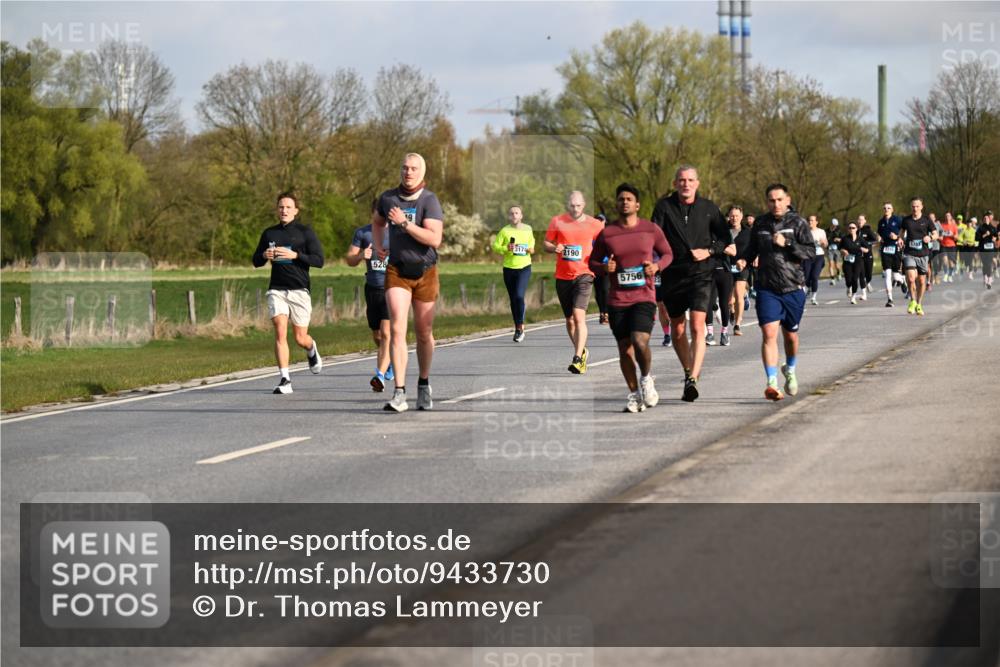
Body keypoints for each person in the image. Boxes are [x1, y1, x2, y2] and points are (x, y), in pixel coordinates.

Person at [589, 183, 674, 412]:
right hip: (617, 299)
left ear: (637, 205)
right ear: (616, 204)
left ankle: (646, 379)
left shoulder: (650, 229)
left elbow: (668, 253)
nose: (624, 202)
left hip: (644, 296)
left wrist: (656, 266)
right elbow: (592, 262)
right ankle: (635, 394)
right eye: (621, 199)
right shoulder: (607, 233)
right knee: (624, 348)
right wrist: (604, 268)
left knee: (639, 340)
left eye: (629, 199)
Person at [651, 165, 732, 402]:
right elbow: (652, 237)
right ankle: (688, 371)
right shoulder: (664, 207)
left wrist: (709, 251)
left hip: (701, 274)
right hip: (673, 274)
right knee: (677, 329)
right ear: (675, 183)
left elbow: (725, 238)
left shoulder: (709, 208)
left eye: (690, 180)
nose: (686, 184)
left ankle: (693, 379)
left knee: (697, 326)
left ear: (697, 183)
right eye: (681, 180)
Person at [373, 153, 444, 412]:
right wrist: (379, 245)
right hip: (397, 270)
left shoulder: (429, 201)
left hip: (425, 271)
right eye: (405, 168)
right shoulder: (388, 198)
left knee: (424, 332)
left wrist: (404, 224)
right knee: (397, 328)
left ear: (422, 172)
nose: (408, 172)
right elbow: (377, 221)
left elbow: (434, 239)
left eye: (414, 168)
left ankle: (423, 384)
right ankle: (399, 392)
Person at [744, 183, 814, 401]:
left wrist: (788, 243)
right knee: (769, 333)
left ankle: (790, 369)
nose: (776, 204)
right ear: (767, 202)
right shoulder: (761, 223)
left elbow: (810, 252)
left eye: (779, 200)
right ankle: (772, 383)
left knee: (790, 336)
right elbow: (751, 250)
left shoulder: (798, 223)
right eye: (772, 200)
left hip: (793, 287)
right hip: (767, 288)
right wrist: (742, 260)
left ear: (787, 200)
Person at [252, 192, 325, 394]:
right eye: (281, 207)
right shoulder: (269, 234)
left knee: (300, 338)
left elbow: (319, 260)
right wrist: (264, 255)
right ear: (277, 210)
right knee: (280, 328)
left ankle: (311, 348)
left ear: (296, 211)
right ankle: (285, 379)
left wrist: (295, 255)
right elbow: (255, 261)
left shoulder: (305, 232)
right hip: (277, 289)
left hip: (299, 289)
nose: (284, 210)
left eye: (288, 207)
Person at [545, 190, 603, 374]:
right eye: (572, 205)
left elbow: (605, 244)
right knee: (569, 320)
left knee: (579, 316)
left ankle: (577, 358)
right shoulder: (557, 221)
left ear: (584, 205)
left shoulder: (595, 224)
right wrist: (555, 248)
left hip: (584, 274)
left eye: (578, 205)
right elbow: (546, 243)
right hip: (563, 276)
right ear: (567, 205)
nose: (575, 209)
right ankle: (582, 350)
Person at [346, 201, 394, 391]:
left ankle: (379, 376)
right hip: (372, 289)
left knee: (387, 333)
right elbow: (349, 259)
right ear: (373, 213)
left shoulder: (398, 234)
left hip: (392, 289)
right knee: (377, 335)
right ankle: (388, 361)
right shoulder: (362, 233)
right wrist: (360, 256)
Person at [491, 205, 535, 342]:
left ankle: (520, 326)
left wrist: (529, 249)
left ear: (521, 216)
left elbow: (532, 248)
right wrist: (507, 248)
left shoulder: (528, 229)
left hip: (524, 267)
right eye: (512, 213)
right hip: (509, 268)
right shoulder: (505, 231)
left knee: (519, 296)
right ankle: (518, 328)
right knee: (513, 299)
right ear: (509, 216)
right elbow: (495, 246)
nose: (514, 215)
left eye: (517, 213)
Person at [900, 197, 937, 316]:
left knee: (921, 281)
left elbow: (935, 234)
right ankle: (912, 301)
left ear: (921, 207)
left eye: (917, 206)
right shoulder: (906, 220)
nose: (915, 208)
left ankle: (919, 304)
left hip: (923, 254)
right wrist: (900, 239)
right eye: (913, 206)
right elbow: (901, 232)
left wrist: (930, 237)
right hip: (909, 253)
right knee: (911, 279)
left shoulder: (927, 220)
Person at [727, 206, 753, 334]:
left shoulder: (748, 232)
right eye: (732, 215)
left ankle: (737, 324)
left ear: (741, 216)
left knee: (738, 294)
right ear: (729, 216)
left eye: (737, 216)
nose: (734, 218)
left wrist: (748, 259)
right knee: (729, 300)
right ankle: (731, 310)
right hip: (727, 265)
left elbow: (753, 248)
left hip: (742, 266)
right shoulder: (723, 230)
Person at [876, 202, 903, 307]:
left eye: (888, 208)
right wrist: (879, 237)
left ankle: (903, 281)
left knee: (896, 276)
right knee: (887, 275)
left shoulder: (897, 220)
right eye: (885, 208)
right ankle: (890, 299)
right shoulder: (881, 222)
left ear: (892, 210)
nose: (886, 210)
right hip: (885, 249)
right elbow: (879, 233)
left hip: (895, 248)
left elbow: (903, 231)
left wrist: (898, 237)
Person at [802, 214, 828, 306]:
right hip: (808, 256)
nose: (810, 222)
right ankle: (808, 288)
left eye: (812, 220)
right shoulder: (805, 232)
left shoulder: (821, 231)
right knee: (806, 277)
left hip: (819, 256)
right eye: (809, 220)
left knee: (814, 276)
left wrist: (823, 243)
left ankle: (813, 297)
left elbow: (826, 244)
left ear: (816, 222)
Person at [839, 221, 865, 304]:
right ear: (848, 229)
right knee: (848, 279)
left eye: (853, 228)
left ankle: (853, 296)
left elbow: (867, 249)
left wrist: (863, 249)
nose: (851, 229)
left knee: (855, 278)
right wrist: (843, 251)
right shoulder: (845, 238)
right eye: (850, 228)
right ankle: (848, 287)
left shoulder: (860, 239)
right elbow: (840, 248)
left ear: (856, 229)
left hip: (858, 260)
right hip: (847, 261)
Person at [592, 214, 611, 325]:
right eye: (597, 220)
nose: (599, 222)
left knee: (605, 290)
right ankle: (601, 312)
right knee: (598, 292)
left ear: (604, 222)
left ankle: (606, 314)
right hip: (595, 266)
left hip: (606, 266)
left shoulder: (608, 234)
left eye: (601, 220)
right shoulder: (591, 235)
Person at [856, 214, 877, 300]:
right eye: (859, 219)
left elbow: (875, 240)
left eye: (861, 220)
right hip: (859, 255)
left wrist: (866, 244)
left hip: (868, 255)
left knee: (868, 274)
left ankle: (868, 282)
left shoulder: (868, 230)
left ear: (865, 221)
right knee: (861, 274)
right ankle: (864, 294)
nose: (860, 221)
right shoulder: (855, 230)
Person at [976, 212, 997, 289]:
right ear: (983, 220)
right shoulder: (980, 228)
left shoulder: (992, 228)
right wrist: (985, 235)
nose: (986, 219)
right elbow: (976, 238)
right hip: (982, 249)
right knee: (985, 264)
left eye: (987, 218)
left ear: (989, 219)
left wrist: (995, 238)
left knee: (989, 264)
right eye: (984, 218)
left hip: (990, 249)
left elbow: (996, 236)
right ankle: (985, 277)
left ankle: (989, 280)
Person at [939, 211, 959, 282]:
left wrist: (952, 235)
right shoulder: (942, 225)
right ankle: (946, 274)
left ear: (951, 217)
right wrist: (940, 237)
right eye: (946, 216)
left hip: (952, 246)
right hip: (944, 245)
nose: (947, 217)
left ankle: (950, 275)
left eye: (948, 216)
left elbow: (957, 237)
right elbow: (940, 236)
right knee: (945, 261)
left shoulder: (954, 226)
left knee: (951, 263)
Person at [826, 218, 843, 285]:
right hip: (829, 250)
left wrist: (838, 239)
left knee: (837, 265)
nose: (835, 226)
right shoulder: (826, 231)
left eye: (836, 225)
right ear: (831, 224)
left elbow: (843, 239)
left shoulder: (838, 231)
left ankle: (839, 273)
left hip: (837, 250)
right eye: (834, 225)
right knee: (831, 264)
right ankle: (832, 279)